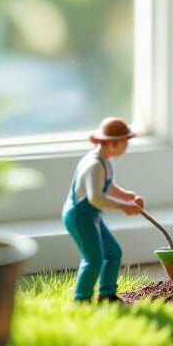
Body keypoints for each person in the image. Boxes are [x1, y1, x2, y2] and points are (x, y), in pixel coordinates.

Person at [62, 117, 143, 303]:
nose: (126, 147)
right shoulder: (94, 165)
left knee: (113, 252)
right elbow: (96, 198)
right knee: (94, 259)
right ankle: (82, 299)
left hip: (92, 216)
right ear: (113, 143)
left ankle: (107, 294)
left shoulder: (104, 161)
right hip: (79, 216)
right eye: (125, 143)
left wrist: (126, 196)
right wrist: (124, 206)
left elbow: (108, 185)